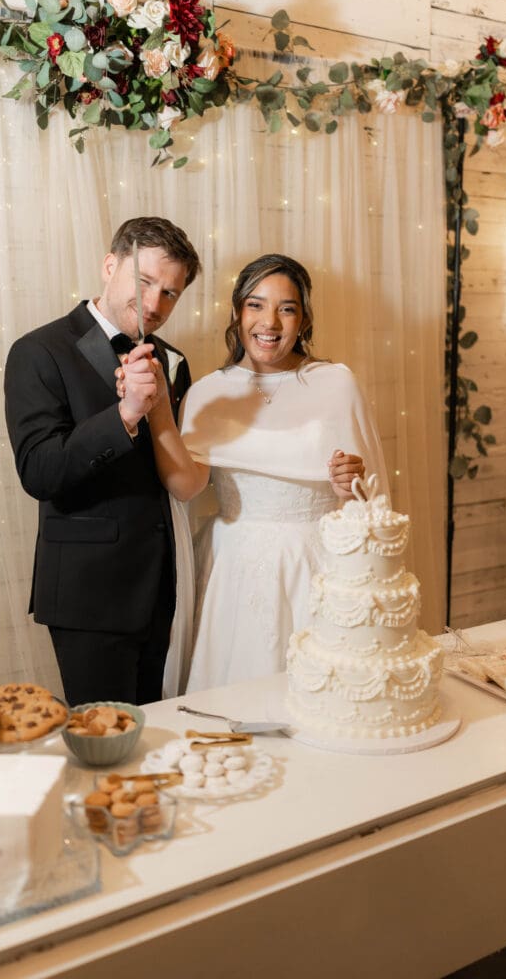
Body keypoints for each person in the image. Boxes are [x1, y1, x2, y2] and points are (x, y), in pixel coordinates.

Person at [130, 253, 389, 694]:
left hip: (314, 565)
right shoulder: (209, 392)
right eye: (255, 305)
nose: (269, 322)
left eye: (286, 309)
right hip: (233, 568)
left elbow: (371, 504)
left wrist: (350, 488)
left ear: (303, 320)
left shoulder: (337, 384)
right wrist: (157, 411)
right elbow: (186, 487)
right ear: (237, 312)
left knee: (322, 696)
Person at [4, 216, 201, 707]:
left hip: (161, 588)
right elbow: (40, 471)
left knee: (156, 733)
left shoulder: (172, 360)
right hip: (88, 593)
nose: (155, 304)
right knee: (103, 741)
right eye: (145, 281)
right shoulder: (38, 351)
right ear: (110, 266)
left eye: (170, 293)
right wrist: (126, 414)